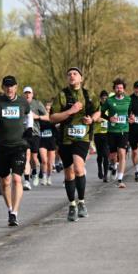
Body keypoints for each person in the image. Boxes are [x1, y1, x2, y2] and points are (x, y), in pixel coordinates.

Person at [49, 67, 99, 222]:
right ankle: (72, 205)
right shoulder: (62, 95)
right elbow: (53, 117)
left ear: (81, 78)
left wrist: (92, 119)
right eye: (69, 74)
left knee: (78, 167)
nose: (72, 76)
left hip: (82, 138)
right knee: (69, 173)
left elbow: (98, 112)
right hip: (65, 139)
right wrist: (70, 111)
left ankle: (82, 202)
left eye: (75, 74)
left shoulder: (89, 95)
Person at [0, 76, 30, 226]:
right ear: (3, 87)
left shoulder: (22, 102)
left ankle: (15, 212)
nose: (9, 88)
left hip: (19, 144)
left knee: (16, 179)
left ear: (16, 87)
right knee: (5, 181)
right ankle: (9, 208)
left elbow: (29, 115)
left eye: (12, 86)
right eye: (6, 86)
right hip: (1, 146)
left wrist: (29, 128)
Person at [101, 78, 131, 188]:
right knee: (113, 156)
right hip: (112, 131)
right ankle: (113, 165)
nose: (119, 89)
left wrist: (131, 118)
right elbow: (101, 113)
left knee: (122, 153)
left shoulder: (128, 100)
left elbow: (131, 112)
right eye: (117, 87)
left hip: (124, 130)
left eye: (121, 88)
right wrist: (109, 118)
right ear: (114, 89)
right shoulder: (109, 100)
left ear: (124, 89)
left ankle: (120, 179)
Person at [23, 86, 48, 188]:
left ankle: (34, 171)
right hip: (23, 134)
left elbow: (47, 117)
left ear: (32, 94)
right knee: (27, 156)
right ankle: (26, 180)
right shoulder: (20, 104)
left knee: (34, 157)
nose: (27, 95)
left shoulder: (37, 104)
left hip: (35, 134)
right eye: (26, 93)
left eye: (29, 93)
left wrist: (37, 117)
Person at [93, 90, 111, 182]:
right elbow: (91, 117)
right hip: (97, 133)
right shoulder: (97, 107)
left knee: (106, 155)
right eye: (103, 98)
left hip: (107, 133)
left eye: (106, 98)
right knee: (100, 155)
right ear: (100, 98)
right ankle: (100, 169)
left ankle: (105, 175)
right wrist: (96, 119)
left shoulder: (110, 107)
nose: (104, 100)